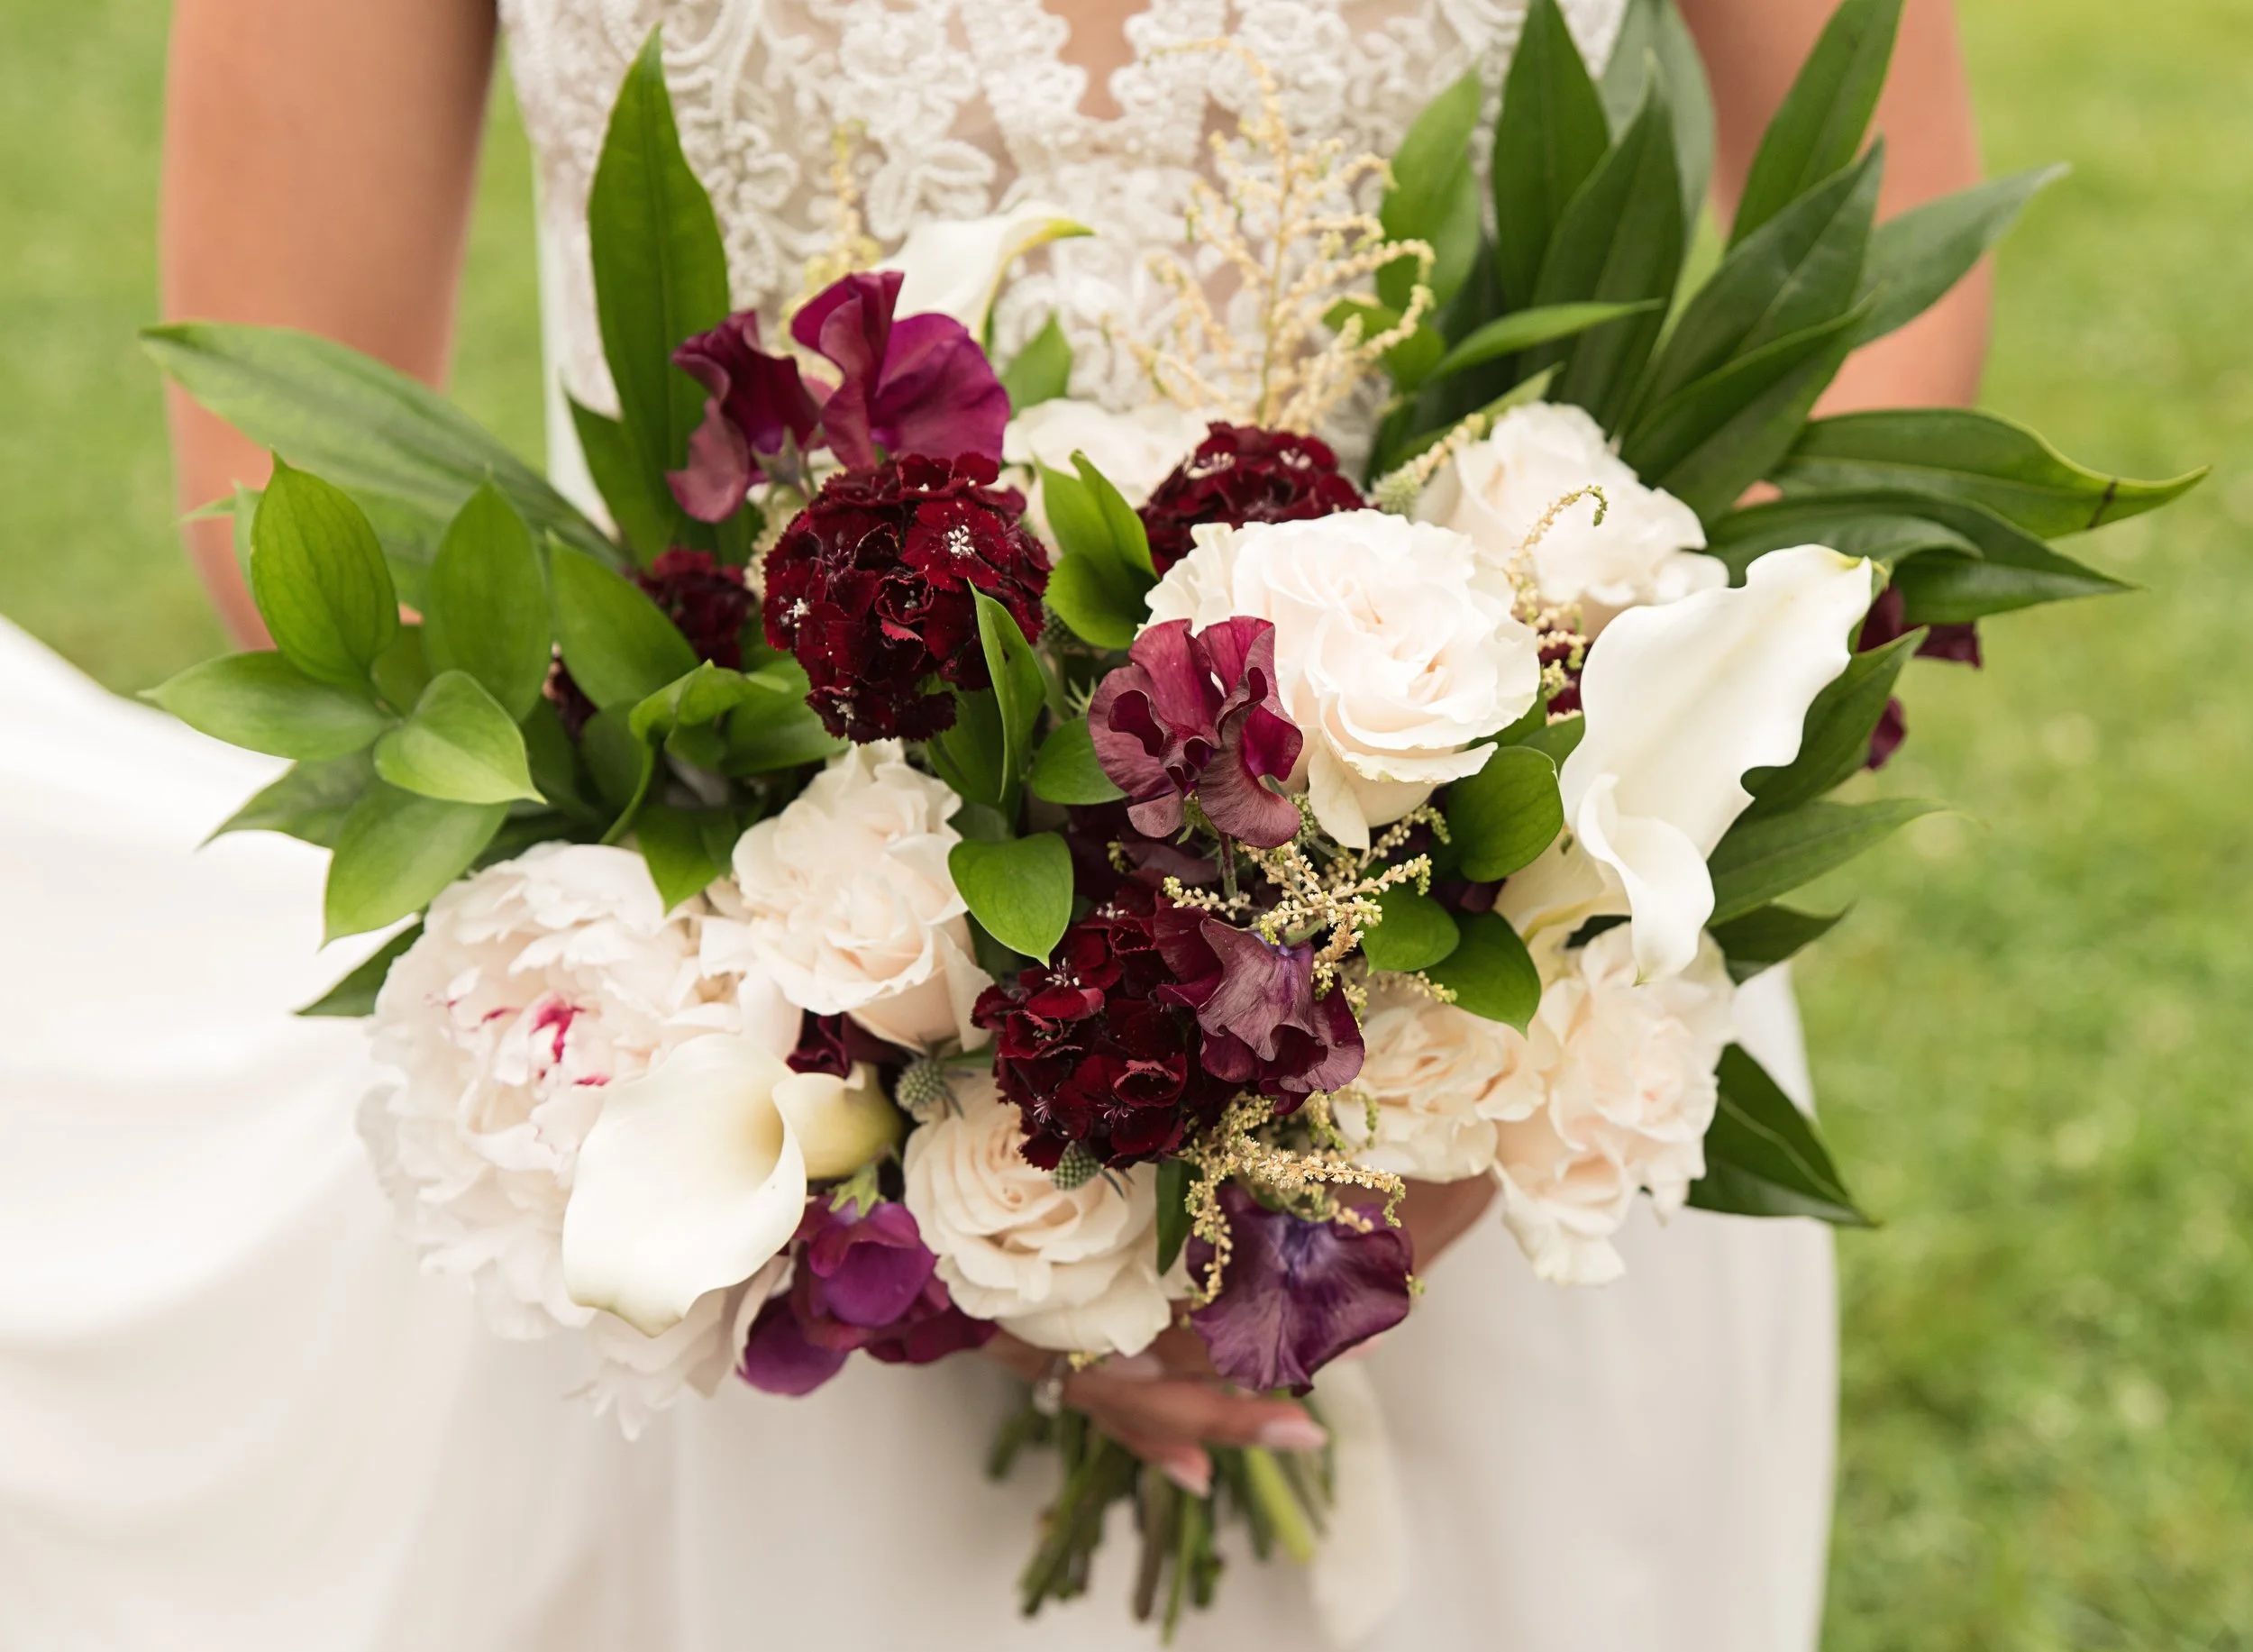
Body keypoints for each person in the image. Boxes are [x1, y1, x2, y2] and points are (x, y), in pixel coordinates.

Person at [0, 0, 1987, 1647]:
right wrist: (930, 1106)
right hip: (760, 1110)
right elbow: (285, 443)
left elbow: (1875, 266)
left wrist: (1449, 1022)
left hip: (1514, 1072)